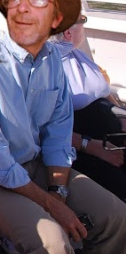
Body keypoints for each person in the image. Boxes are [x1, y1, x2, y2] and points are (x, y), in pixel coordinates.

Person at [0, 0, 126, 254]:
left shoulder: (52, 59)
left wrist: (58, 189)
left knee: (116, 217)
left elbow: (58, 133)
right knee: (52, 243)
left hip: (32, 159)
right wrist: (52, 203)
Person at [50, 15, 126, 201]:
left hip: (111, 134)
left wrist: (123, 119)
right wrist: (93, 147)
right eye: (82, 19)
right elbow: (48, 128)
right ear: (69, 32)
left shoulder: (77, 55)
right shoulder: (46, 68)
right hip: (84, 146)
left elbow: (103, 92)